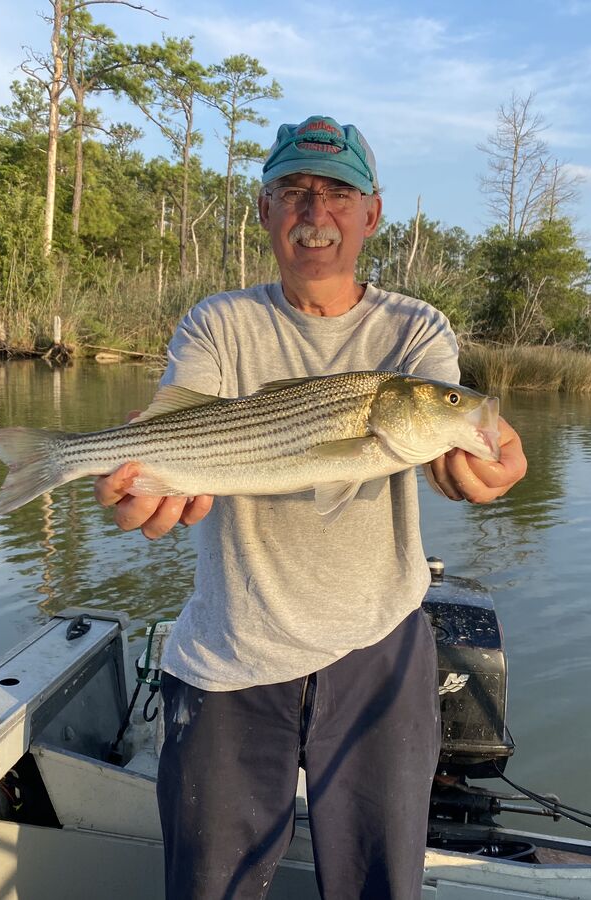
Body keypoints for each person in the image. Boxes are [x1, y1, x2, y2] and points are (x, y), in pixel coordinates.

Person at [95, 115, 527, 900]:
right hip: (229, 655)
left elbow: (447, 455)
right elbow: (166, 431)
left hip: (379, 653)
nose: (314, 211)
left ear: (372, 214)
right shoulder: (218, 323)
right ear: (264, 211)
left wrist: (474, 462)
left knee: (378, 888)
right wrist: (136, 485)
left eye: (337, 193)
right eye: (293, 190)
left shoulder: (414, 329)